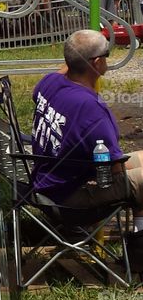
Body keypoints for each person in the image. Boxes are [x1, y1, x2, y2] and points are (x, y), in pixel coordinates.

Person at [31, 30, 143, 243]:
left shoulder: (50, 82)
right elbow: (114, 170)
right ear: (98, 63)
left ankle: (139, 235)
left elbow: (62, 72)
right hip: (68, 198)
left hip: (47, 178)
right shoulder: (93, 110)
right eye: (107, 54)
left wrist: (78, 51)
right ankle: (139, 246)